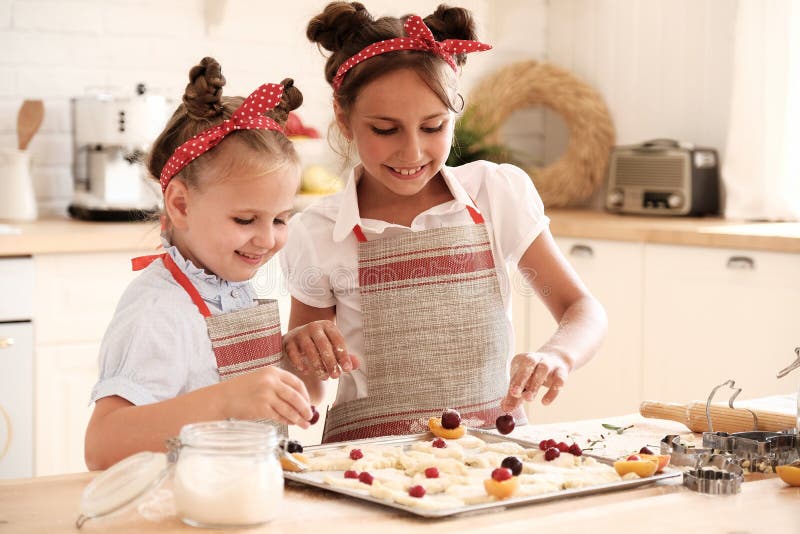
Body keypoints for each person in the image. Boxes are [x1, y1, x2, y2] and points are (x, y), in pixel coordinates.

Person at [280, 2, 608, 443]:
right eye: (385, 130)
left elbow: (581, 308)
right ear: (344, 118)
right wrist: (301, 358)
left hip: (488, 454)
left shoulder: (495, 194)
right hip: (363, 463)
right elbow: (313, 386)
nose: (412, 152)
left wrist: (558, 356)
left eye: (433, 127)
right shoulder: (318, 231)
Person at [84, 57, 336, 470]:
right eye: (245, 219)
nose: (267, 239)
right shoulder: (159, 311)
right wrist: (227, 399)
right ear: (181, 205)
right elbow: (102, 445)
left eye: (280, 219)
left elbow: (300, 402)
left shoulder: (232, 286)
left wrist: (300, 363)